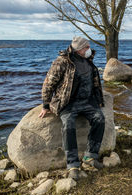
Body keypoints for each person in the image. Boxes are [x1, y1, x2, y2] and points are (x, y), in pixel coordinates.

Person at [38, 36, 105, 180]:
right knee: (68, 125)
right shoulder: (62, 62)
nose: (89, 49)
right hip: (68, 103)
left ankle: (90, 157)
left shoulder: (88, 60)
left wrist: (99, 100)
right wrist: (45, 105)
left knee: (99, 119)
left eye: (88, 47)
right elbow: (48, 83)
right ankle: (73, 164)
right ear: (79, 49)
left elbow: (94, 82)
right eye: (86, 47)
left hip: (87, 102)